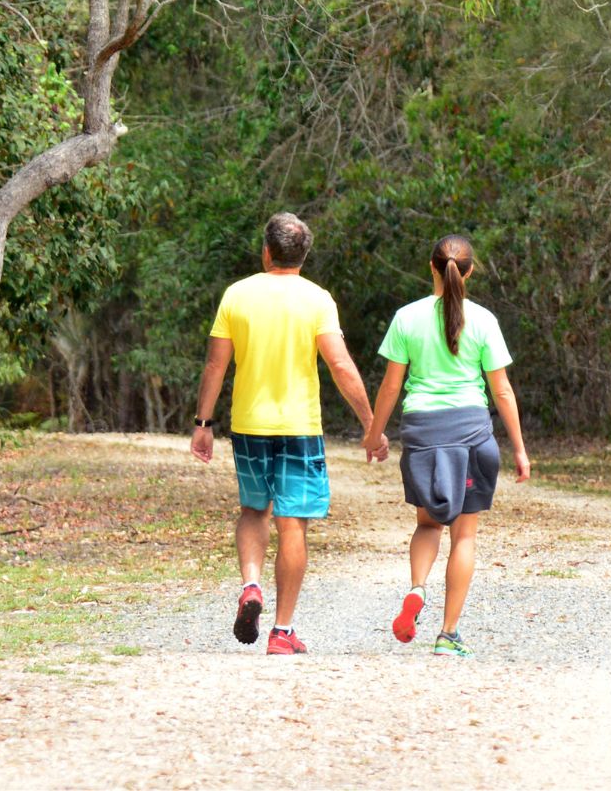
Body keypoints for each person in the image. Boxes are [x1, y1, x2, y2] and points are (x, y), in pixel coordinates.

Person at [191, 213, 377, 655]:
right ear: (303, 255)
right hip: (299, 428)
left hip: (249, 425)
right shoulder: (318, 299)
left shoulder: (237, 295)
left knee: (254, 511)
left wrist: (202, 424)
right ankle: (282, 631)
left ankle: (251, 585)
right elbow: (340, 365)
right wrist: (371, 423)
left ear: (266, 251)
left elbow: (216, 365)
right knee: (292, 524)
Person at [363, 234, 529, 657]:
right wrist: (520, 449)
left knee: (426, 524)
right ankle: (448, 635)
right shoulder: (485, 320)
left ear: (431, 267)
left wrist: (375, 432)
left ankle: (417, 589)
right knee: (465, 536)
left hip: (421, 431)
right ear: (469, 271)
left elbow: (391, 385)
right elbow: (503, 391)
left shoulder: (406, 318)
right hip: (471, 432)